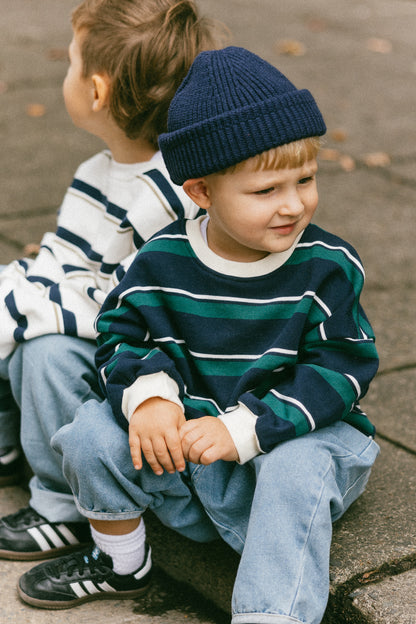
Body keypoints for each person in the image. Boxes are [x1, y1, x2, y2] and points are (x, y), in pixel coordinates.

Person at [19, 47, 380, 624]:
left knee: (297, 468)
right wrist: (150, 397)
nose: (293, 204)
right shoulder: (161, 261)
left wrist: (248, 427)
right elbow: (118, 337)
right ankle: (120, 560)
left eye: (306, 179)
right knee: (90, 433)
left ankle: (271, 614)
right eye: (266, 192)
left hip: (296, 434)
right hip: (193, 446)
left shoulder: (326, 266)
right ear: (201, 192)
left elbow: (342, 369)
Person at [0, 0, 222, 561]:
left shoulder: (167, 197)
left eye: (72, 63)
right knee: (17, 308)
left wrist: (27, 309)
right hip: (99, 326)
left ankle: (63, 505)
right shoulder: (99, 173)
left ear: (96, 91)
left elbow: (125, 307)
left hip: (145, 368)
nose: (66, 74)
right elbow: (62, 260)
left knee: (42, 351)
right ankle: (10, 443)